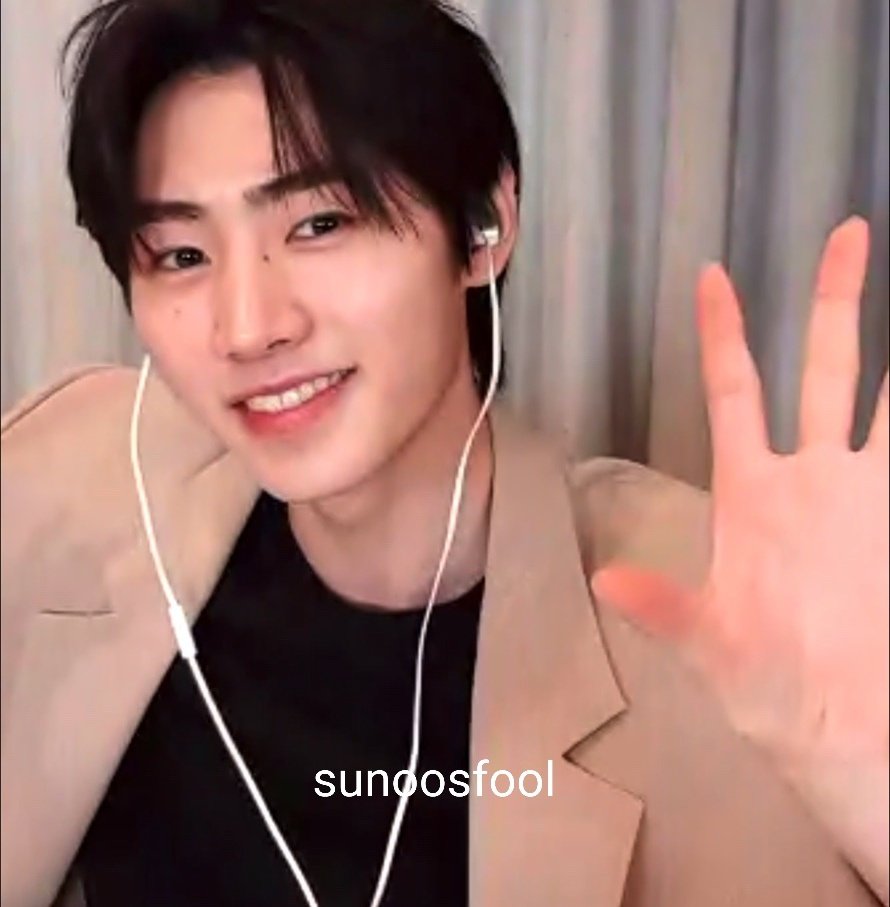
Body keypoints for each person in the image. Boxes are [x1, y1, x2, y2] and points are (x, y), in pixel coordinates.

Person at [1, 1, 886, 906]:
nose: (249, 327)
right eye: (183, 254)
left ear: (481, 225)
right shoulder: (66, 479)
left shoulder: (715, 614)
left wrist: (867, 781)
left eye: (319, 224)